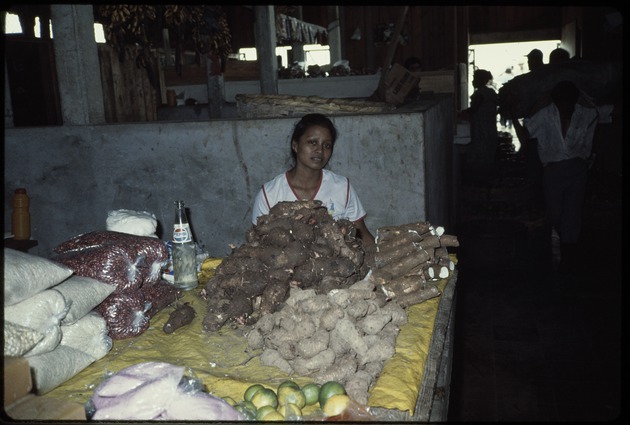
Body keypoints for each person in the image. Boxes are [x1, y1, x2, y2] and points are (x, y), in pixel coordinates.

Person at [509, 80, 605, 275]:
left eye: (570, 104)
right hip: (553, 170)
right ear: (554, 103)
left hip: (577, 169)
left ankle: (570, 257)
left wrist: (587, 99)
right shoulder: (545, 115)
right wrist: (531, 106)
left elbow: (602, 112)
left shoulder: (585, 113)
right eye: (561, 104)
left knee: (573, 212)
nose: (566, 109)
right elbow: (526, 133)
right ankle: (561, 244)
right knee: (555, 213)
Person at [251, 113, 375, 246]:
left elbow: (362, 235)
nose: (320, 150)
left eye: (327, 145)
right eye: (313, 142)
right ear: (295, 145)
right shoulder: (269, 194)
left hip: (338, 264)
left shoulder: (342, 187)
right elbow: (256, 242)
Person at [460, 69, 499, 176]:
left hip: (480, 127)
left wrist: (460, 113)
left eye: (474, 79)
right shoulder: (491, 92)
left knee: (480, 152)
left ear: (480, 80)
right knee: (489, 152)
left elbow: (473, 109)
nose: (472, 81)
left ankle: (480, 177)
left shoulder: (479, 94)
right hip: (490, 126)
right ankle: (488, 175)